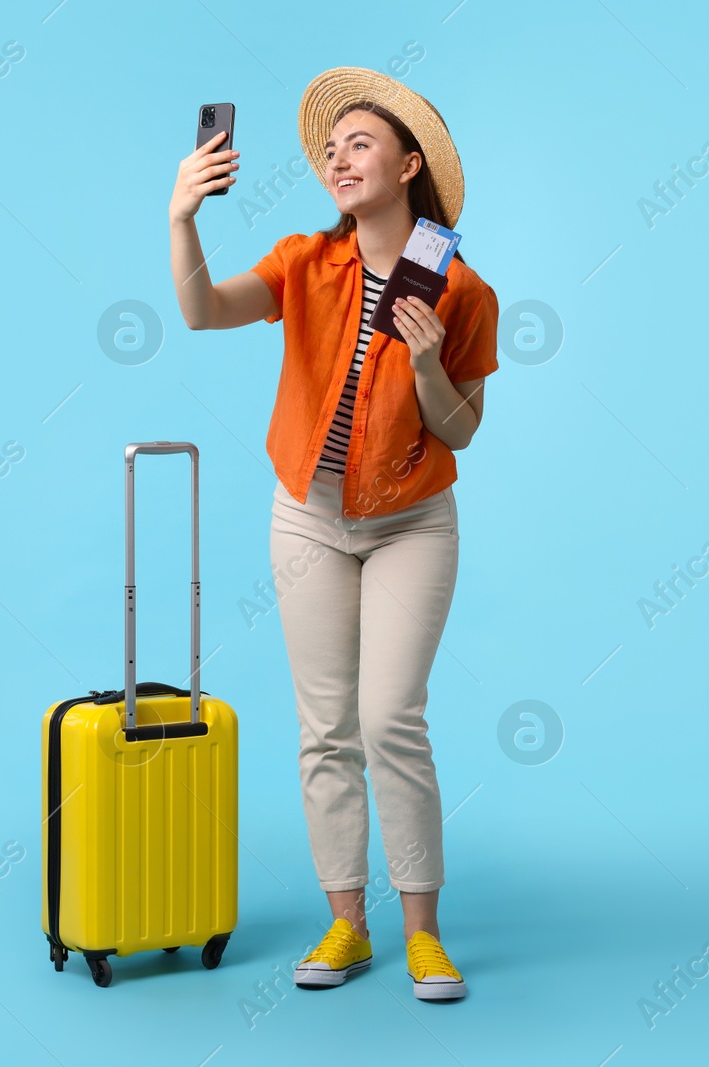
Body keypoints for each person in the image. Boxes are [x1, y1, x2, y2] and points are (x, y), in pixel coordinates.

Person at [167, 66, 498, 1001]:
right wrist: (182, 218)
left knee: (390, 715)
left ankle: (424, 932)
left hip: (411, 523)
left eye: (360, 142)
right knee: (325, 727)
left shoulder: (464, 290)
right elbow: (201, 311)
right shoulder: (303, 262)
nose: (337, 157)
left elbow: (461, 429)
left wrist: (431, 363)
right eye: (331, 147)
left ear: (407, 165)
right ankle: (348, 922)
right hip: (306, 518)